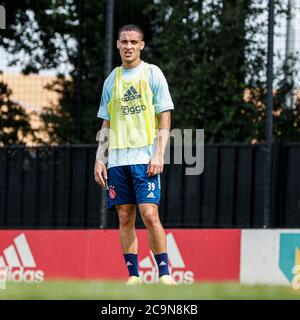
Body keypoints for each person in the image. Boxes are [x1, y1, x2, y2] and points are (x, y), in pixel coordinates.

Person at [94, 24, 176, 285]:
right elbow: (106, 123)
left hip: (145, 159)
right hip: (117, 160)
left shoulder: (153, 74)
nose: (128, 46)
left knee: (150, 214)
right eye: (124, 41)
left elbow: (165, 116)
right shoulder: (112, 80)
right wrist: (99, 157)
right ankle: (133, 276)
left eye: (134, 42)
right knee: (125, 216)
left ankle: (164, 275)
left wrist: (158, 154)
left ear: (141, 45)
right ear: (117, 44)